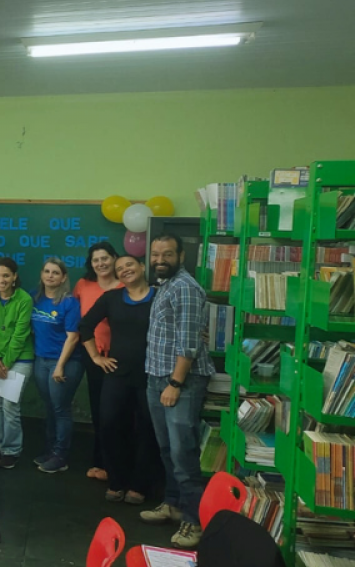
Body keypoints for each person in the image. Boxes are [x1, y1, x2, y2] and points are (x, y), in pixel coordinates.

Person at [139, 234, 214, 550]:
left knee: (183, 453)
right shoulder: (165, 284)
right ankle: (171, 503)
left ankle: (193, 520)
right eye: (155, 254)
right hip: (157, 377)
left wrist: (175, 384)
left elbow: (188, 345)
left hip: (178, 382)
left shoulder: (184, 288)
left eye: (167, 254)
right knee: (167, 448)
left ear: (181, 256)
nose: (159, 259)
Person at [79, 255, 160, 505]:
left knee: (147, 429)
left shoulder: (159, 296)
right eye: (120, 268)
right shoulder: (111, 298)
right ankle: (117, 481)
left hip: (151, 375)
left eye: (129, 265)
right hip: (117, 374)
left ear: (142, 267)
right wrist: (96, 357)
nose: (125, 270)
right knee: (110, 425)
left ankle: (139, 485)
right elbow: (85, 326)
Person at [72, 241, 123, 483]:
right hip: (92, 355)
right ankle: (99, 460)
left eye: (105, 258)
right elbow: (77, 320)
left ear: (114, 258)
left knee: (118, 412)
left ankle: (118, 462)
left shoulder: (126, 286)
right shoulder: (83, 285)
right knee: (98, 410)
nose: (101, 263)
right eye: (96, 260)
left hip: (119, 356)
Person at [30, 257, 84, 475]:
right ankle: (51, 451)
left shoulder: (69, 303)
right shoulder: (36, 299)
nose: (50, 276)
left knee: (61, 409)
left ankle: (61, 456)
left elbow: (73, 337)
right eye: (47, 271)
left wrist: (60, 366)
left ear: (63, 278)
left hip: (65, 362)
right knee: (50, 407)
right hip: (40, 360)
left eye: (55, 272)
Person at [0, 257, 34, 470]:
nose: (1, 280)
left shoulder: (24, 299)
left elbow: (20, 335)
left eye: (6, 275)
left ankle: (11, 450)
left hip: (19, 359)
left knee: (10, 405)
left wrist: (6, 363)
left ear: (14, 277)